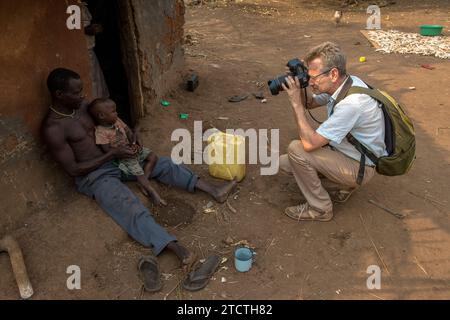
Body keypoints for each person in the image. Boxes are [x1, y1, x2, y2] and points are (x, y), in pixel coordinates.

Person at [42, 68, 236, 289]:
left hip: (117, 158)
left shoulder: (85, 107)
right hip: (94, 175)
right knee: (128, 205)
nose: (83, 96)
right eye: (76, 93)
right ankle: (174, 247)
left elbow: (117, 122)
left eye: (82, 91)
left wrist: (131, 138)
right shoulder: (53, 128)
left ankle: (213, 190)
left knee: (163, 164)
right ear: (59, 94)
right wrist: (112, 154)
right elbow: (74, 169)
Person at [280, 42, 387, 222]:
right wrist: (302, 81)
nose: (311, 81)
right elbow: (311, 103)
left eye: (313, 77)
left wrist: (295, 103)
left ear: (333, 73)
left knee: (296, 150)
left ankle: (320, 208)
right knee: (285, 164)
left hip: (359, 167)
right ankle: (340, 184)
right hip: (348, 153)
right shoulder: (345, 84)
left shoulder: (352, 104)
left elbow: (309, 143)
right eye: (308, 76)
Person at [88, 98, 167, 206]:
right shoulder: (100, 132)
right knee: (138, 171)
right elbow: (107, 150)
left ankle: (144, 181)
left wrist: (134, 142)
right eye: (113, 111)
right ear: (102, 116)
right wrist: (124, 151)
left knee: (153, 157)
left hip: (131, 148)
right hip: (122, 156)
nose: (117, 113)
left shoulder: (117, 120)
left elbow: (129, 132)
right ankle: (152, 192)